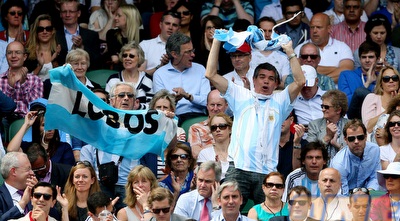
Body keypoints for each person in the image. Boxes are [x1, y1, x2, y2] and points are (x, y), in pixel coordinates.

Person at [206, 38, 304, 207]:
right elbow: (210, 74)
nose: (266, 81)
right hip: (238, 168)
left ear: (276, 84)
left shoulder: (280, 101)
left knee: (271, 216)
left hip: (267, 173)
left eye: (271, 78)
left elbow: (300, 81)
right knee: (226, 212)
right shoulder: (240, 94)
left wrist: (289, 51)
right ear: (254, 80)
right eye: (262, 77)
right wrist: (216, 42)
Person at [80, 82, 141, 211]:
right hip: (101, 183)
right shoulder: (99, 122)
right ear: (112, 101)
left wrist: (167, 122)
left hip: (128, 185)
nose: (125, 98)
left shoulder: (144, 124)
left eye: (130, 96)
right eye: (121, 95)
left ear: (135, 102)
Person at [153, 32, 210, 126]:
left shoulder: (200, 69)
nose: (193, 55)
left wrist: (188, 96)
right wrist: (174, 100)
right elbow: (160, 107)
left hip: (200, 117)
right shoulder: (159, 74)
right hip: (174, 118)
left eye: (193, 50)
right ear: (174, 54)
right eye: (188, 52)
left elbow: (207, 101)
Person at [294, 13, 354, 83]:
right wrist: (336, 69)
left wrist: (321, 81)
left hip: (336, 92)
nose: (314, 31)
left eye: (319, 27)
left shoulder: (342, 47)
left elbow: (346, 71)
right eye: (312, 27)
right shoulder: (299, 49)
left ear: (329, 29)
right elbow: (298, 71)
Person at [7, 108, 75, 166]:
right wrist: (26, 125)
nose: (49, 129)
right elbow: (11, 150)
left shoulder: (64, 148)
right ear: (37, 128)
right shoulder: (28, 147)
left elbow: (68, 172)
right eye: (44, 125)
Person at [330, 119, 381, 195]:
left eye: (360, 137)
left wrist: (369, 193)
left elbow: (375, 178)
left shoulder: (374, 150)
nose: (356, 141)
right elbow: (343, 195)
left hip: (367, 192)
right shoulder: (339, 163)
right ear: (345, 140)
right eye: (351, 139)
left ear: (366, 137)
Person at [0, 41, 43, 121]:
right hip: (5, 123)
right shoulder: (0, 80)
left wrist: (23, 86)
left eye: (17, 52)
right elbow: (5, 108)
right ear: (6, 56)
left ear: (24, 57)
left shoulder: (36, 80)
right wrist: (11, 88)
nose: (13, 56)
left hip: (29, 122)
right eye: (10, 53)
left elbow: (34, 107)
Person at [105, 42, 153, 109]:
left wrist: (138, 106)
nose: (127, 58)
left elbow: (150, 105)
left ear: (139, 58)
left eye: (131, 56)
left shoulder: (147, 80)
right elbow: (107, 103)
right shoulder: (113, 79)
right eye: (125, 55)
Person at [56, 0, 100, 69]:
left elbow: (97, 62)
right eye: (64, 12)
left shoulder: (92, 35)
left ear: (78, 13)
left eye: (71, 11)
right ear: (60, 14)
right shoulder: (53, 36)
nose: (67, 15)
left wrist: (82, 47)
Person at [306, 89, 349, 159]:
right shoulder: (314, 125)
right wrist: (327, 138)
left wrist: (337, 145)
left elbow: (355, 152)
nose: (323, 109)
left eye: (326, 107)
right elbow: (309, 152)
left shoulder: (350, 125)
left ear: (338, 110)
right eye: (322, 106)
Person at [251, 17, 292, 90]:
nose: (267, 34)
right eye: (263, 31)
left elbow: (286, 84)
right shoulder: (249, 56)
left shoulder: (283, 58)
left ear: (276, 33)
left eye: (270, 31)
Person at [339, 41, 381, 107]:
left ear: (378, 59)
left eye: (371, 57)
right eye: (364, 57)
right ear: (359, 59)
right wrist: (367, 83)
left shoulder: (383, 78)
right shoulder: (346, 75)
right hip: (354, 116)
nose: (367, 60)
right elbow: (346, 105)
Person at [188, 89, 228, 159]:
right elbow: (195, 154)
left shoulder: (232, 127)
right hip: (205, 166)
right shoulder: (196, 128)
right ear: (207, 106)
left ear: (226, 106)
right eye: (212, 105)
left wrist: (206, 148)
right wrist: (218, 146)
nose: (215, 109)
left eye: (219, 105)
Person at [140, 11, 181, 76]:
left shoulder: (183, 47)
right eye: (167, 23)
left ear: (179, 29)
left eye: (174, 25)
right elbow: (140, 74)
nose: (170, 27)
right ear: (160, 25)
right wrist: (160, 66)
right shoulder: (145, 45)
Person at [362, 66, 400, 135]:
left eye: (394, 78)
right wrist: (391, 108)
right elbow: (368, 127)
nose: (391, 81)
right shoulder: (371, 98)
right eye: (386, 79)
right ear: (381, 83)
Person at [0, 152, 37, 220]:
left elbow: (54, 216)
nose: (32, 173)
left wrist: (39, 193)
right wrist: (22, 203)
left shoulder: (34, 191)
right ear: (14, 171)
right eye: (28, 169)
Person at [24, 14, 61, 81]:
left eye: (48, 29)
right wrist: (40, 66)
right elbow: (25, 82)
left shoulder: (60, 53)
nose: (44, 32)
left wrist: (53, 61)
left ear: (52, 31)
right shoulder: (28, 55)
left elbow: (64, 79)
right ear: (36, 32)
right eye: (40, 29)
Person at [197, 113, 233, 180]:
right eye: (214, 128)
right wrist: (217, 170)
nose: (218, 130)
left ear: (230, 129)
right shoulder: (205, 153)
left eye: (222, 126)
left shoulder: (239, 152)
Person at [106, 4, 142, 70]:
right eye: (116, 15)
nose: (115, 18)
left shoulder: (143, 35)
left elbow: (143, 60)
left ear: (129, 18)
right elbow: (114, 59)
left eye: (119, 15)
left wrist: (121, 56)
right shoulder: (111, 34)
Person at [277, 111, 307, 178]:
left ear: (291, 120)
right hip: (271, 185)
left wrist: (296, 143)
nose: (281, 121)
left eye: (284, 118)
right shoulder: (266, 142)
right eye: (278, 118)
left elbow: (298, 173)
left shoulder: (302, 143)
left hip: (293, 185)